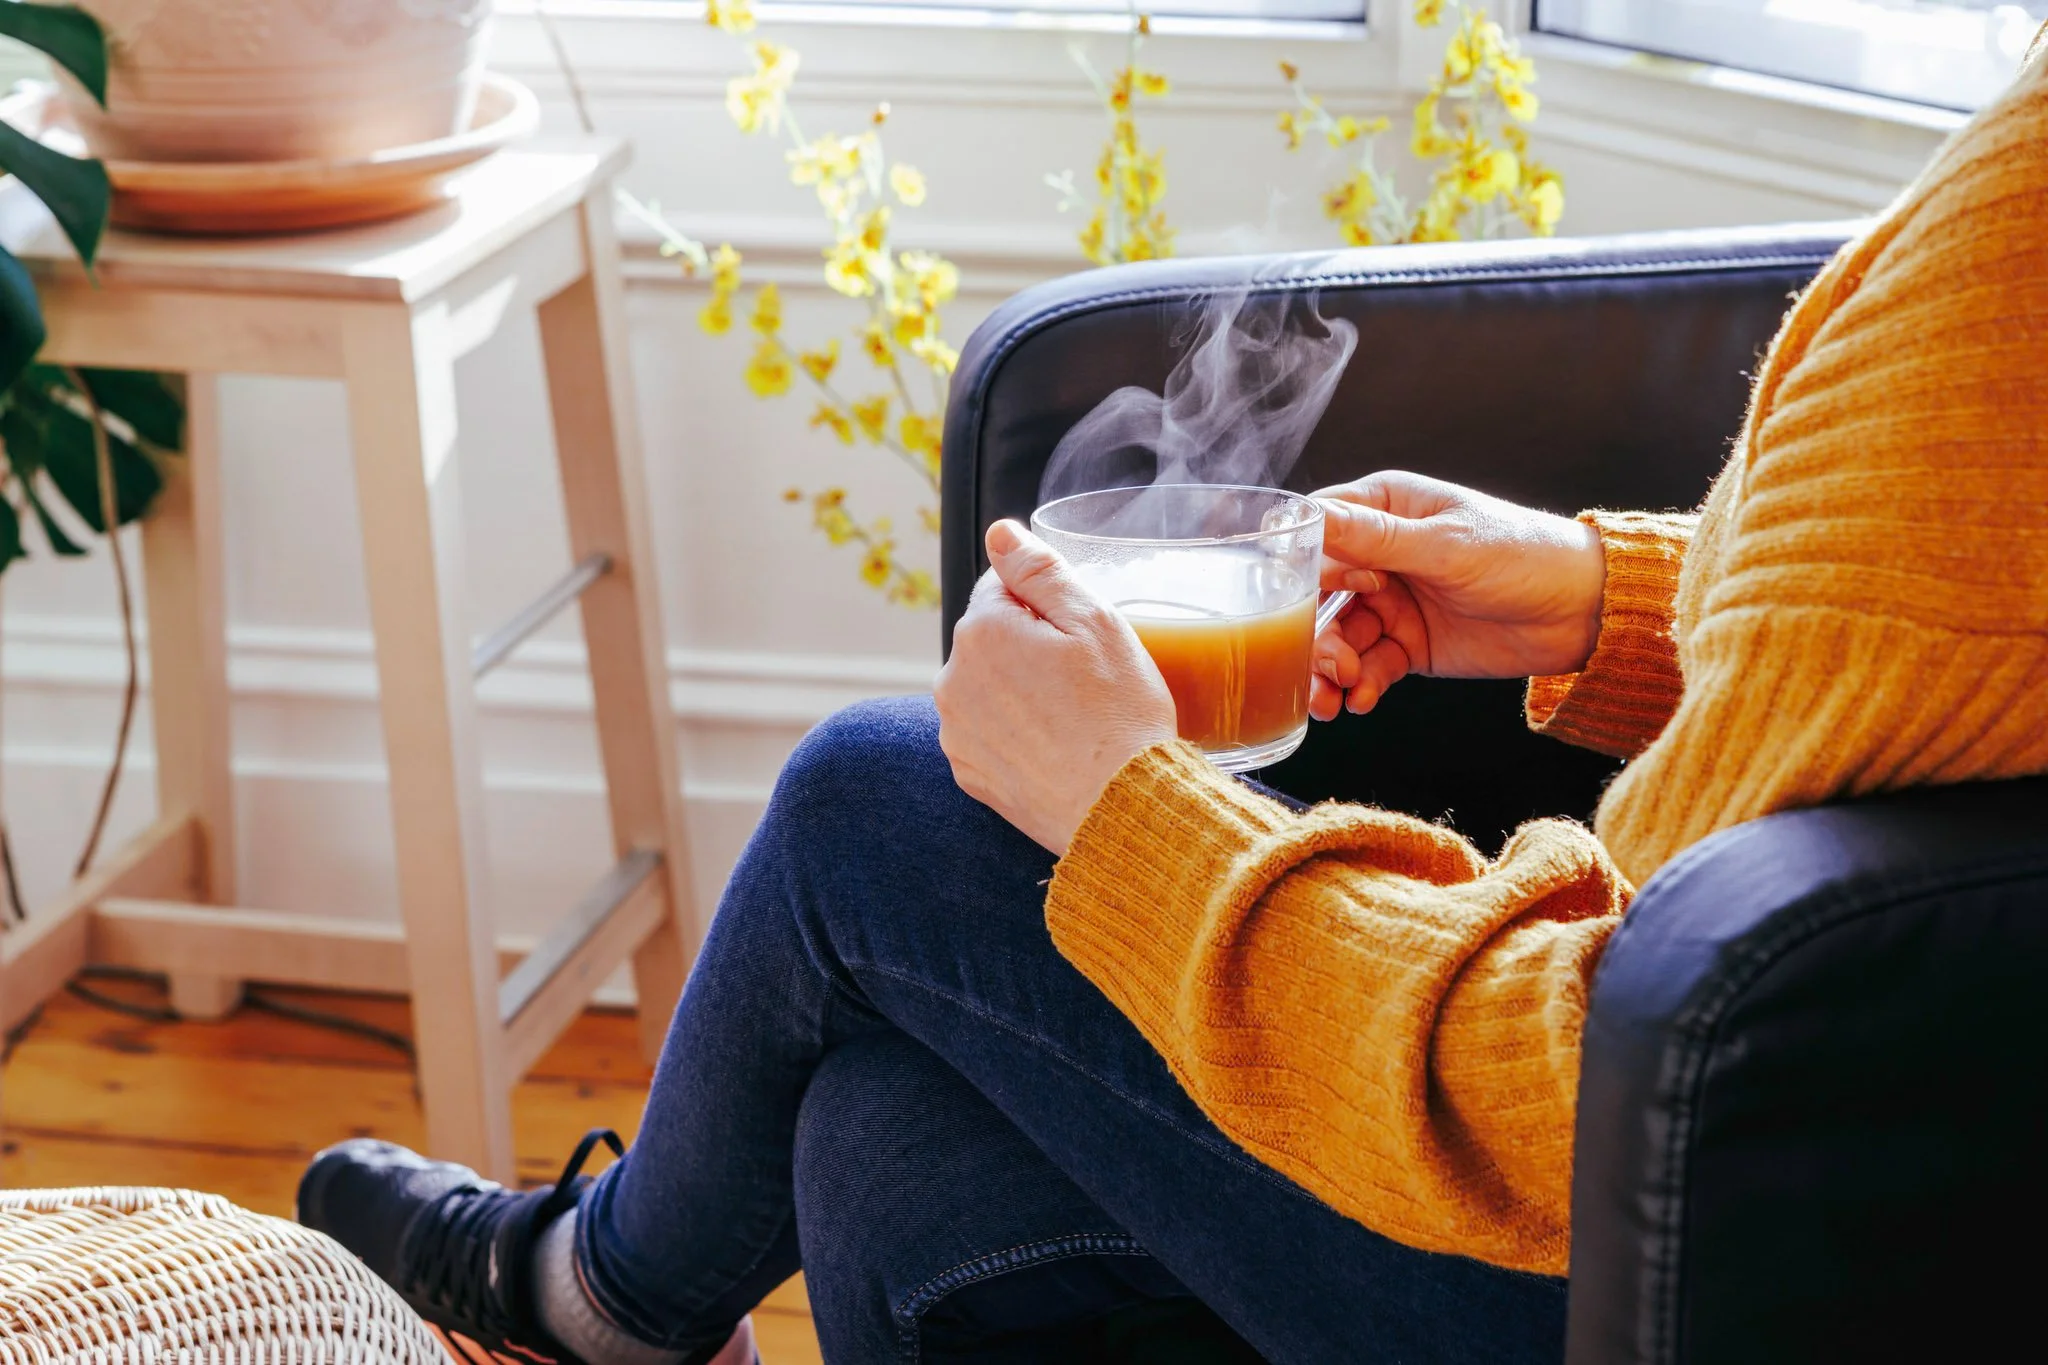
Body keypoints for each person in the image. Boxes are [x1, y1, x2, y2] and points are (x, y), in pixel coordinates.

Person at [295, 32, 2048, 1365]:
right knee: (881, 1154)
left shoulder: (2010, 283)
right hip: (1850, 1187)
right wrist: (1609, 605)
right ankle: (609, 1286)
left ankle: (592, 1290)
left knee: (871, 799)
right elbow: (1954, 654)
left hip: (1659, 1267)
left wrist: (1130, 812)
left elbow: (1584, 1091)